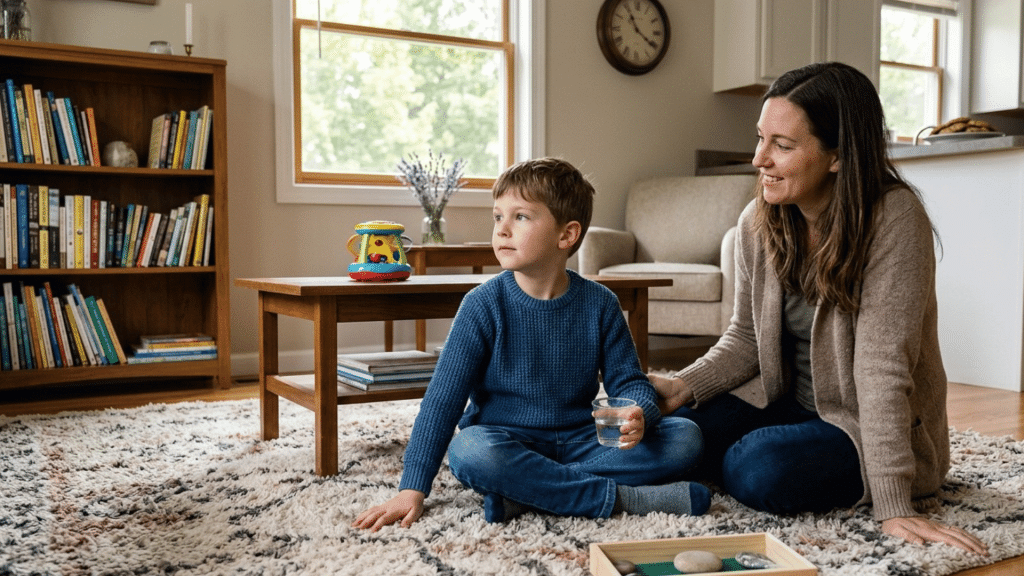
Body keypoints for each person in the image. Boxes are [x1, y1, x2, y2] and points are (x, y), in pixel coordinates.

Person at [649, 62, 989, 555]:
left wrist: (894, 504)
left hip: (856, 423)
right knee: (673, 430)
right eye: (760, 138)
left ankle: (728, 462)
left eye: (782, 146)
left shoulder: (894, 220)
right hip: (786, 402)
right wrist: (682, 386)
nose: (758, 159)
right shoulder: (758, 219)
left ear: (837, 156)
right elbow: (745, 339)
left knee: (757, 468)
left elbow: (881, 369)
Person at [353, 157, 709, 532]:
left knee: (684, 439)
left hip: (582, 438)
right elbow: (443, 400)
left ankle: (525, 492)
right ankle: (623, 499)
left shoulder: (601, 304)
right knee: (470, 450)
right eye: (498, 217)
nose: (502, 229)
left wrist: (639, 413)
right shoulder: (481, 305)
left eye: (520, 217)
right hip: (508, 442)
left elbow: (630, 382)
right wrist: (412, 488)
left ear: (566, 235)